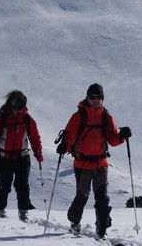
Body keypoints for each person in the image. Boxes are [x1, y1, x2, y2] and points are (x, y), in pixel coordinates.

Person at [56, 83, 131, 238]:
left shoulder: (106, 117)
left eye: (98, 97)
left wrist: (122, 136)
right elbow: (69, 134)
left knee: (102, 197)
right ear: (87, 98)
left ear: (102, 99)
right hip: (82, 164)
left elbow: (112, 139)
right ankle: (74, 221)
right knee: (82, 196)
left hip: (101, 163)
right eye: (92, 97)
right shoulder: (78, 116)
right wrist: (64, 145)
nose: (95, 100)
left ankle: (102, 229)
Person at [0, 90, 43, 221]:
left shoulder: (28, 120)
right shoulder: (1, 118)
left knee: (22, 184)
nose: (18, 111)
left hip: (22, 157)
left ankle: (23, 211)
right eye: (16, 109)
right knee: (4, 184)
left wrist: (38, 152)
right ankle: (0, 209)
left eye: (20, 108)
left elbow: (35, 138)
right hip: (3, 157)